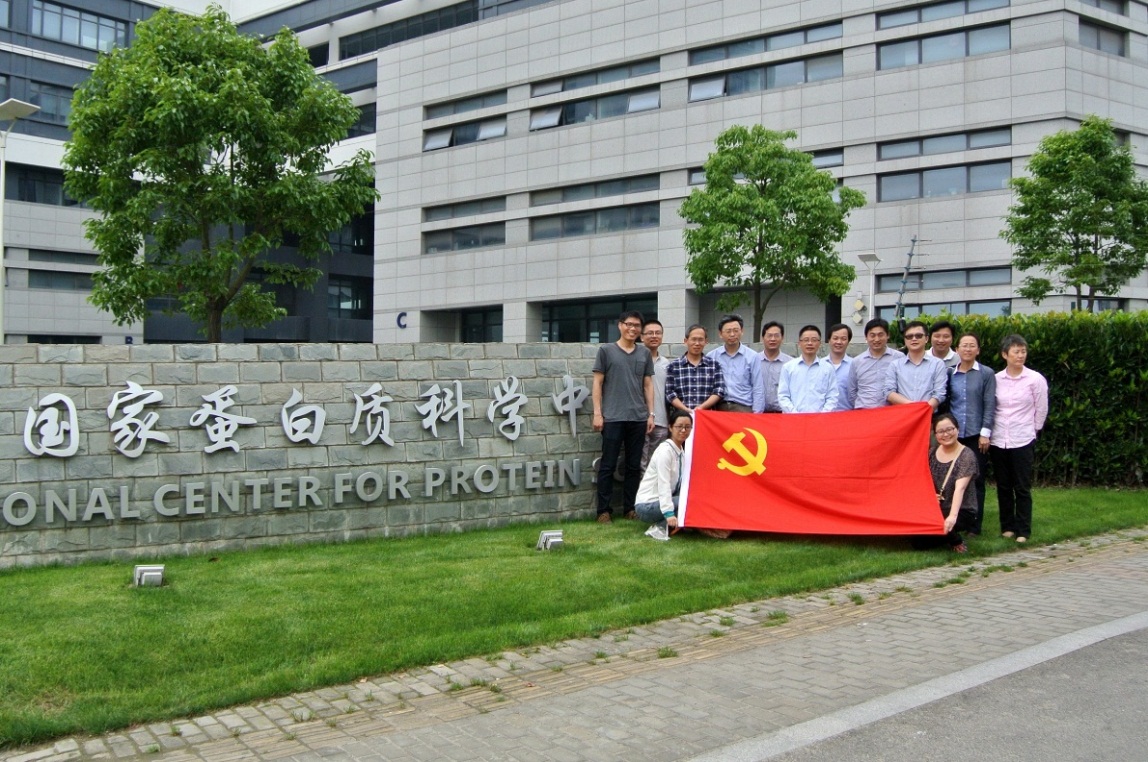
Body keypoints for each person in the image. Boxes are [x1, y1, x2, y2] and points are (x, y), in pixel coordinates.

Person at [592, 311, 656, 524]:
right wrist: (598, 413)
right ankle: (603, 511)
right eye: (629, 324)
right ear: (620, 325)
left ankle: (630, 508)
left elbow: (648, 385)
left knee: (633, 466)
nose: (633, 328)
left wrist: (651, 414)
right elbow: (597, 383)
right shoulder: (606, 351)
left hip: (638, 418)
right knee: (608, 465)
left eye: (637, 325)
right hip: (612, 417)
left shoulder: (644, 353)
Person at [989, 334, 1048, 544]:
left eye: (1023, 351)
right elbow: (992, 407)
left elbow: (1041, 408)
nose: (1020, 355)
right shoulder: (996, 379)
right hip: (998, 439)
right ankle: (1007, 526)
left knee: (1022, 486)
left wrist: (1033, 430)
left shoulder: (1035, 379)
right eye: (1016, 351)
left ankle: (1023, 529)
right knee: (1003, 485)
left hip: (1023, 438)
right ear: (1005, 354)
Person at [946, 333, 996, 535]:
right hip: (954, 436)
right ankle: (955, 523)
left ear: (978, 350)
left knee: (976, 480)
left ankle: (975, 526)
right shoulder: (949, 373)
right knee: (953, 480)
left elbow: (990, 404)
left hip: (977, 435)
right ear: (957, 349)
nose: (967, 349)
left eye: (972, 345)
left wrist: (985, 433)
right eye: (964, 345)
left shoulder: (986, 373)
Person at [918, 412, 977, 553]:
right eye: (940, 431)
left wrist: (952, 516)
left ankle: (956, 540)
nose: (945, 434)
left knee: (941, 521)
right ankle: (943, 533)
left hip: (961, 509)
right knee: (918, 543)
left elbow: (960, 488)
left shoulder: (967, 455)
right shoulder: (931, 453)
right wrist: (931, 496)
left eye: (949, 429)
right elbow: (922, 479)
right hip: (936, 506)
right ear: (935, 434)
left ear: (957, 429)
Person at [634, 410, 692, 541]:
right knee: (687, 501)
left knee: (691, 498)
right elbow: (663, 483)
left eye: (687, 427)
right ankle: (660, 528)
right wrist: (669, 513)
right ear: (670, 427)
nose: (683, 430)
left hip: (662, 501)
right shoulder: (665, 451)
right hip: (647, 506)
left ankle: (677, 525)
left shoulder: (680, 451)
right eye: (679, 426)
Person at [884, 320, 947, 409]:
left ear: (926, 339)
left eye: (918, 336)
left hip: (929, 414)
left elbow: (939, 394)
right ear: (905, 340)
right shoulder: (895, 365)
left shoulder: (937, 364)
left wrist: (923, 410)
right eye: (909, 336)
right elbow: (889, 392)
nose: (914, 339)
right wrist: (913, 407)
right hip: (903, 414)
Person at [708, 314, 764, 413]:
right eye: (728, 331)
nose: (732, 334)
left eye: (736, 330)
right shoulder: (712, 356)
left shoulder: (752, 357)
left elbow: (758, 387)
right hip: (719, 408)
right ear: (720, 334)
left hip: (743, 408)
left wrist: (757, 414)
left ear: (742, 331)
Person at [778, 325, 839, 413]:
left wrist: (822, 416)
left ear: (820, 344)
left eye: (814, 340)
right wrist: (795, 415)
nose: (810, 343)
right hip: (793, 418)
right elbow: (783, 396)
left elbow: (832, 396)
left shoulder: (828, 368)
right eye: (806, 340)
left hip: (821, 419)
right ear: (799, 344)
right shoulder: (788, 367)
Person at [666, 324, 725, 413]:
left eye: (700, 340)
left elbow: (719, 390)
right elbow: (670, 393)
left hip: (706, 415)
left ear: (706, 341)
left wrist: (701, 408)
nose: (697, 343)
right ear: (685, 341)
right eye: (693, 339)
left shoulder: (714, 365)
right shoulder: (673, 366)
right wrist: (685, 410)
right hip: (681, 416)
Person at [847, 318, 904, 409]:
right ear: (866, 337)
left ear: (888, 335)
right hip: (864, 411)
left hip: (890, 412)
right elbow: (852, 391)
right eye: (872, 335)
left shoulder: (899, 358)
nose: (876, 339)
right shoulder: (857, 361)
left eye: (880, 335)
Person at [640, 319, 671, 471]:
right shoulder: (635, 360)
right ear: (641, 337)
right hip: (639, 420)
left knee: (658, 465)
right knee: (640, 464)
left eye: (658, 333)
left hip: (661, 421)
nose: (654, 336)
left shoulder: (667, 364)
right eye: (650, 333)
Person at [758, 321, 792, 413]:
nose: (773, 339)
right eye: (769, 335)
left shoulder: (790, 363)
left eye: (776, 336)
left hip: (782, 413)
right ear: (762, 338)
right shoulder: (754, 361)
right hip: (759, 413)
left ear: (782, 338)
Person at [826, 323, 854, 411]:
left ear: (848, 341)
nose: (839, 342)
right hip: (824, 415)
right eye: (835, 338)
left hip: (848, 414)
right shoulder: (819, 365)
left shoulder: (855, 365)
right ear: (829, 340)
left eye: (843, 339)